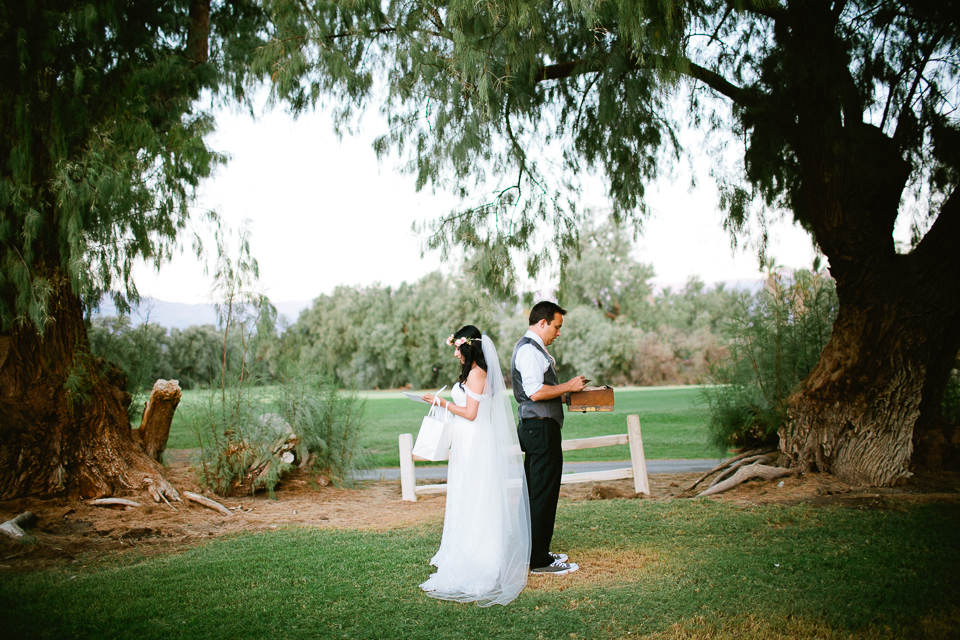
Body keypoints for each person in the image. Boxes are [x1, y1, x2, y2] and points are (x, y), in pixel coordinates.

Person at [419, 325, 531, 606]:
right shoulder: (471, 373)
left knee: (477, 494)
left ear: (469, 348)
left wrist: (440, 403)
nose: (455, 353)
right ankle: (461, 544)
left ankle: (481, 553)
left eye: (458, 348)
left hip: (476, 441)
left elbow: (470, 413)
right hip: (465, 442)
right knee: (465, 493)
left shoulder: (478, 373)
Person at [511, 301, 586, 575]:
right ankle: (539, 561)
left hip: (540, 427)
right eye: (556, 326)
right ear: (543, 323)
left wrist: (567, 396)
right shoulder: (529, 351)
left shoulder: (533, 349)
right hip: (540, 429)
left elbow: (542, 390)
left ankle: (536, 550)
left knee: (538, 492)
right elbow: (534, 392)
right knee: (542, 493)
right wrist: (568, 385)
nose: (558, 332)